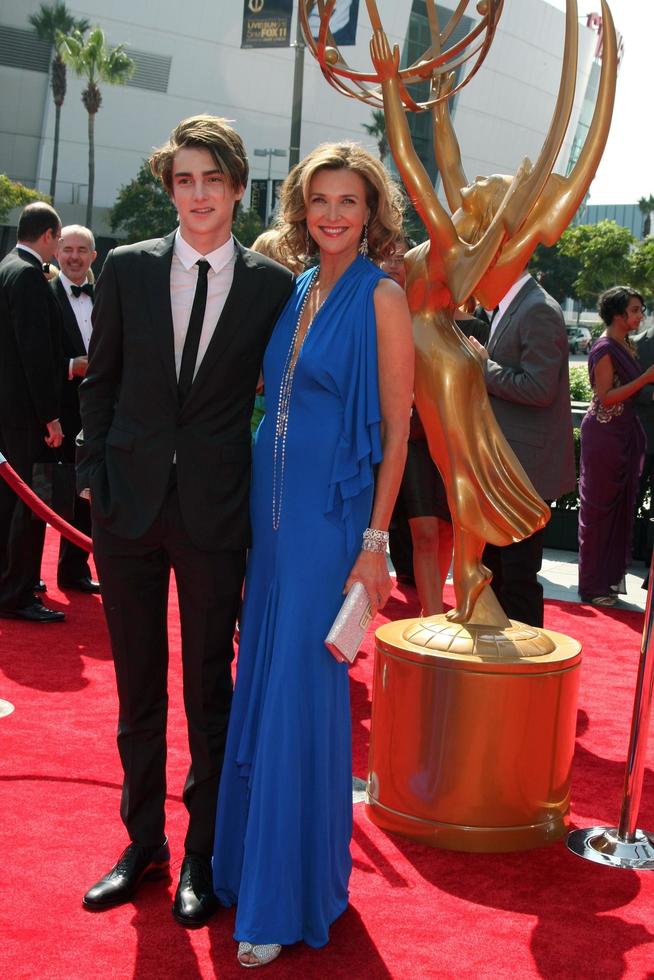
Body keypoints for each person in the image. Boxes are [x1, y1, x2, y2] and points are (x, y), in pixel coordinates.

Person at [77, 115, 294, 925]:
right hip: (127, 510)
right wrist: (94, 475)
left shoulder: (274, 287)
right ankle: (142, 843)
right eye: (183, 180)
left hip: (216, 515)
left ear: (239, 187)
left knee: (209, 690)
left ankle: (200, 853)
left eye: (212, 180)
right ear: (169, 189)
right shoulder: (127, 269)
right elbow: (99, 383)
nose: (197, 195)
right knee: (137, 686)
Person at [212, 142, 413, 967]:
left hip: (330, 521)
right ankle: (248, 869)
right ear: (303, 208)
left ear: (371, 215)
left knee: (299, 689)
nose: (334, 215)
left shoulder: (382, 297)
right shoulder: (295, 288)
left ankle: (283, 898)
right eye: (321, 200)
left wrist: (374, 543)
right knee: (263, 678)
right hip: (272, 516)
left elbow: (399, 432)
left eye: (350, 202)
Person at [470, 267, 576, 628]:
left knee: (517, 574)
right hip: (508, 464)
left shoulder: (537, 309)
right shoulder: (510, 307)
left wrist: (484, 367)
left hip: (526, 470)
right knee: (501, 568)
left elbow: (539, 388)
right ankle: (506, 659)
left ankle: (525, 667)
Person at [0, 202, 65, 623]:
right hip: (20, 415)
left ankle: (10, 584)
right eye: (58, 240)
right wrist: (51, 416)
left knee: (8, 506)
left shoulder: (5, 266)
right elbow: (35, 354)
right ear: (47, 236)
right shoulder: (26, 276)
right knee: (22, 506)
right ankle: (15, 593)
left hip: (7, 411)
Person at [578, 287, 650, 605]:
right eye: (635, 310)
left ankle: (606, 582)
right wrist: (645, 379)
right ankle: (593, 585)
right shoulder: (605, 347)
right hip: (605, 436)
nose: (640, 315)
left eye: (641, 310)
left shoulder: (625, 343)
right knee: (599, 508)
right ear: (618, 315)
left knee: (618, 508)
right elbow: (605, 396)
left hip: (623, 434)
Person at [50, 224, 100, 593]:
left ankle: (75, 569)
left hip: (95, 414)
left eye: (82, 250)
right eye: (68, 249)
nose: (74, 257)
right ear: (56, 252)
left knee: (86, 494)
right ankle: (22, 574)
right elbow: (31, 356)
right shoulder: (44, 295)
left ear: (93, 257)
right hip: (56, 412)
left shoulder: (104, 296)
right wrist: (71, 366)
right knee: (47, 495)